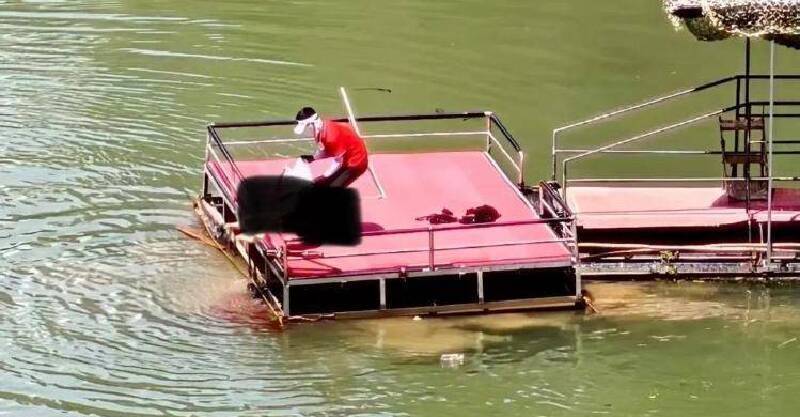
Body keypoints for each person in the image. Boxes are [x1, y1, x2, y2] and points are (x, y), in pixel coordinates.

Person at [293, 107, 369, 187]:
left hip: (356, 164)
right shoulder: (321, 130)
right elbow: (327, 151)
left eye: (307, 126)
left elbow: (338, 162)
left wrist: (324, 176)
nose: (307, 129)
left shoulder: (331, 138)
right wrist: (313, 157)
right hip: (345, 158)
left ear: (313, 123)